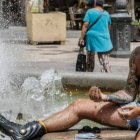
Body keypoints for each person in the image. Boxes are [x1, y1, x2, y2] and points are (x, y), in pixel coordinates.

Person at [0, 45, 140, 140]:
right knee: (78, 105)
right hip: (135, 111)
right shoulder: (137, 56)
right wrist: (106, 97)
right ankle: (25, 132)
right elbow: (129, 93)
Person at [79, 0, 113, 72]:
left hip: (92, 38)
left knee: (90, 57)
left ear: (95, 3)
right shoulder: (106, 14)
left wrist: (82, 38)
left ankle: (90, 73)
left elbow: (85, 25)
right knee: (104, 59)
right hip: (104, 38)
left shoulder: (90, 12)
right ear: (103, 4)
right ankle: (107, 75)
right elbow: (109, 26)